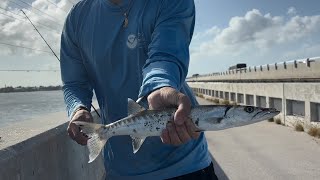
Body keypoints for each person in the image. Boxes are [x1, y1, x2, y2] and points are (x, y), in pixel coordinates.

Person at [60, 0, 218, 179]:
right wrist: (78, 108)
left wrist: (159, 86)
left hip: (187, 165)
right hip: (119, 169)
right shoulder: (76, 19)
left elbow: (166, 55)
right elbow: (74, 83)